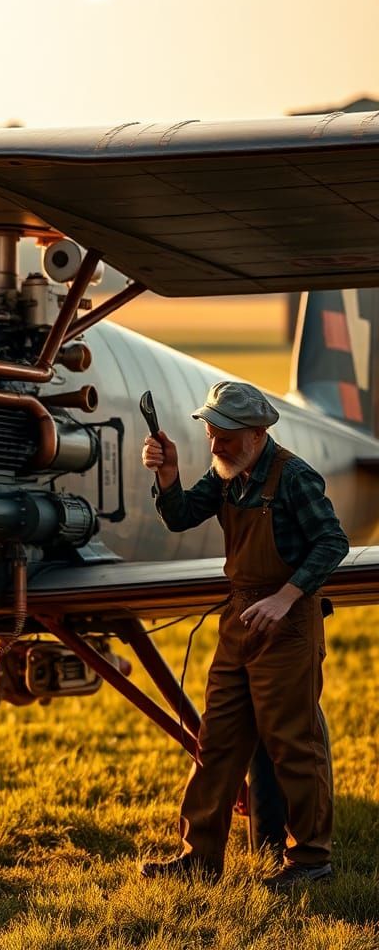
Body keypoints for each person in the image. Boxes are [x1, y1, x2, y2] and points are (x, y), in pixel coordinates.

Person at [139, 380, 347, 888]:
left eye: (225, 436)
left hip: (289, 623)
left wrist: (287, 597)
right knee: (217, 742)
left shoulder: (295, 476)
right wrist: (168, 476)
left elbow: (332, 542)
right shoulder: (226, 474)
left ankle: (311, 861)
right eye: (211, 433)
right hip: (239, 619)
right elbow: (181, 516)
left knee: (293, 744)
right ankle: (199, 859)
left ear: (257, 433)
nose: (215, 446)